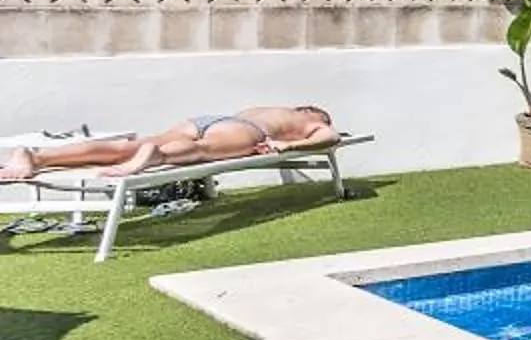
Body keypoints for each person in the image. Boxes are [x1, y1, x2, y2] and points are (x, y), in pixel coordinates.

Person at [0, 106, 339, 184]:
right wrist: (287, 146)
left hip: (207, 117)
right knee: (202, 151)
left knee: (124, 148)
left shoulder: (271, 106)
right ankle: (156, 157)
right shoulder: (311, 120)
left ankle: (39, 157)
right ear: (313, 113)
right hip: (245, 130)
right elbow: (329, 138)